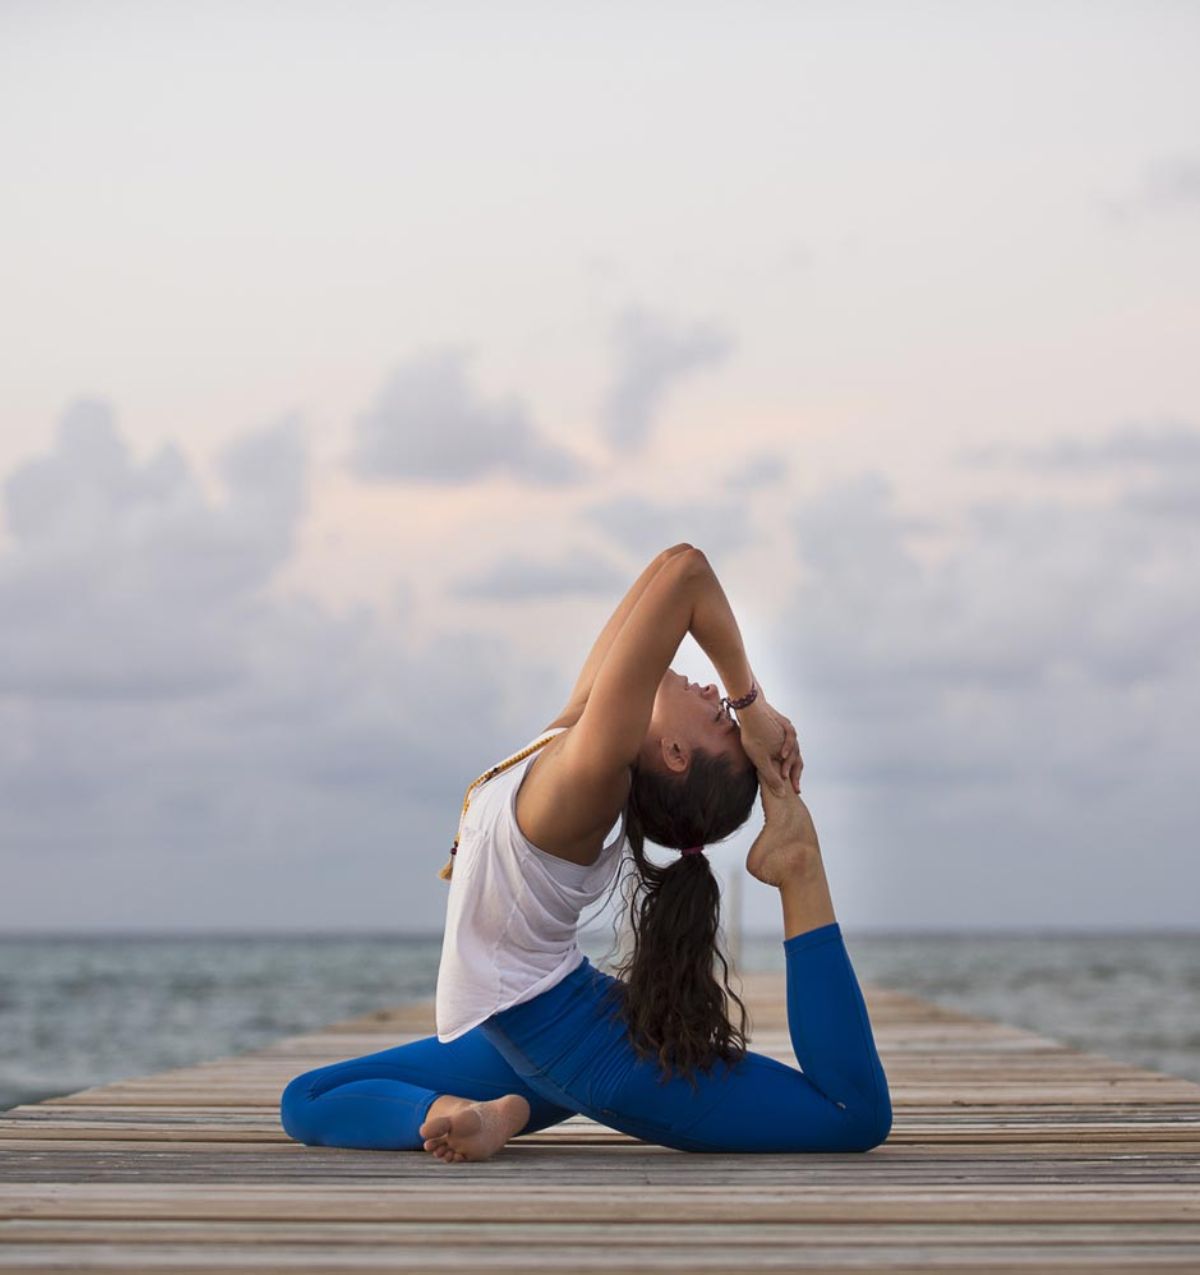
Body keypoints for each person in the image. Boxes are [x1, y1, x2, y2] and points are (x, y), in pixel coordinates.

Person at [279, 544, 892, 1159]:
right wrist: (747, 716)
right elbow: (674, 562)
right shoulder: (572, 737)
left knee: (852, 1116)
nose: (715, 693)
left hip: (585, 1052)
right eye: (725, 709)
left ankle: (798, 865)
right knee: (306, 1097)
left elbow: (688, 580)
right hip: (536, 1025)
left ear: (675, 755)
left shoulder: (589, 778)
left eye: (719, 718)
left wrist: (751, 705)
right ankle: (461, 1116)